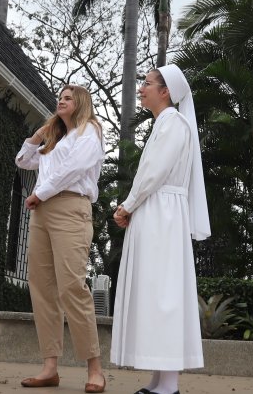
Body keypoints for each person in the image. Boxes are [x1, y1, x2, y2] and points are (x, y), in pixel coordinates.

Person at [111, 65, 211, 394]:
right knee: (154, 294)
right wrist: (133, 205)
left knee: (164, 295)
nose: (142, 88)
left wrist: (128, 204)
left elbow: (153, 173)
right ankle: (159, 378)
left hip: (162, 215)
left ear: (165, 92)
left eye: (148, 83)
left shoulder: (174, 125)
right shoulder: (164, 125)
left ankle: (169, 385)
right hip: (155, 213)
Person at [15, 84, 108, 393]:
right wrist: (41, 133)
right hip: (42, 212)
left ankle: (94, 368)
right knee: (41, 287)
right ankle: (49, 367)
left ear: (80, 103)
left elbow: (74, 168)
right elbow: (23, 161)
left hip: (70, 208)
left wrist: (39, 193)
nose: (61, 101)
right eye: (60, 98)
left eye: (68, 98)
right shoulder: (55, 139)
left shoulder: (89, 130)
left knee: (72, 287)